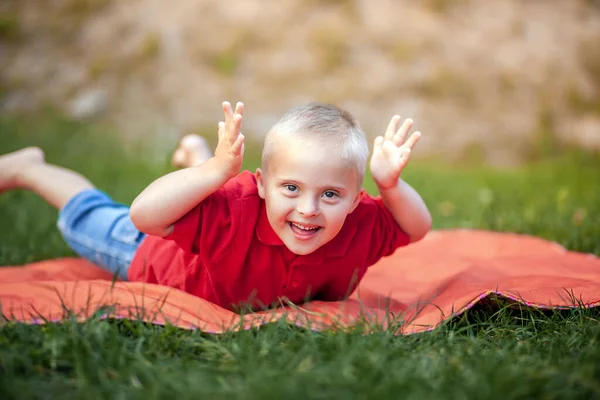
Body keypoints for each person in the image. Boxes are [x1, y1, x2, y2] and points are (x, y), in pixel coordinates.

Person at [0, 101, 431, 311]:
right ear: (261, 185)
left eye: (331, 195)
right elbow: (143, 215)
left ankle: (197, 156)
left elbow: (416, 227)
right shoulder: (234, 207)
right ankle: (29, 169)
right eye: (292, 189)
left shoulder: (362, 223)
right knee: (89, 215)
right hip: (148, 252)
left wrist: (391, 185)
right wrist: (216, 173)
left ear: (358, 200)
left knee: (206, 194)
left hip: (202, 211)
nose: (310, 209)